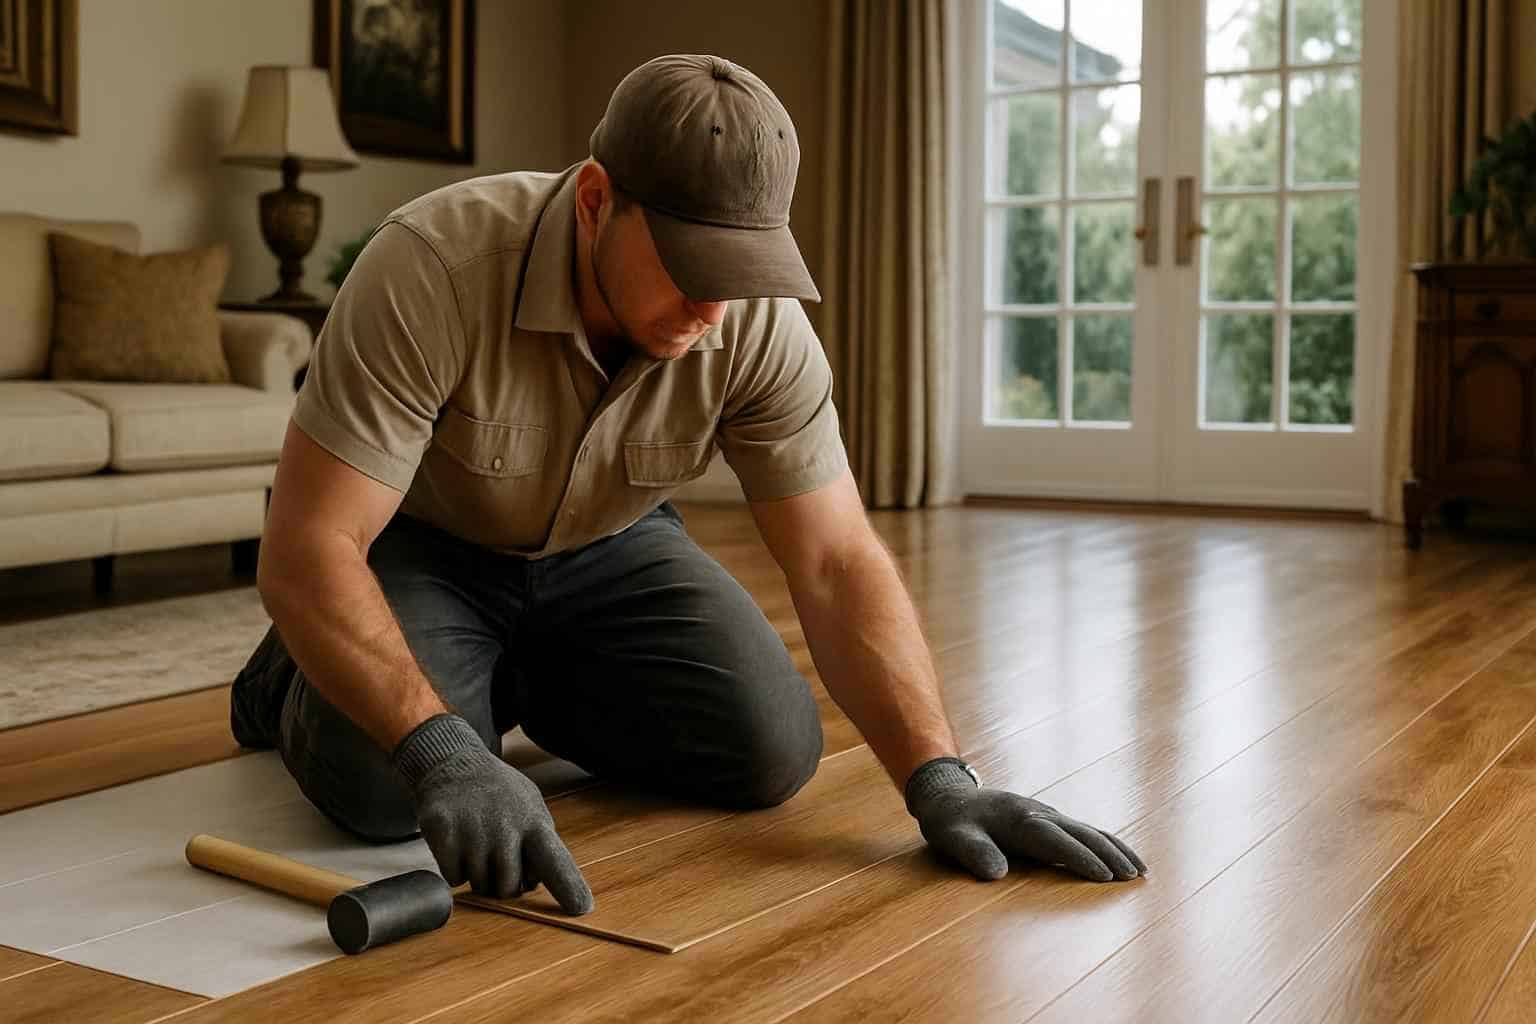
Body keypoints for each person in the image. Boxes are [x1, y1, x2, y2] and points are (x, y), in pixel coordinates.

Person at [230, 53, 1146, 917]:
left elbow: (833, 559)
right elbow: (315, 542)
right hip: (425, 544)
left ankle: (495, 674)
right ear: (597, 200)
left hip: (606, 544)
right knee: (384, 789)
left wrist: (941, 776)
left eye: (741, 272)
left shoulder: (755, 326)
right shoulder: (432, 269)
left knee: (769, 753)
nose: (714, 309)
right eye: (690, 267)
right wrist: (437, 749)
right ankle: (291, 672)